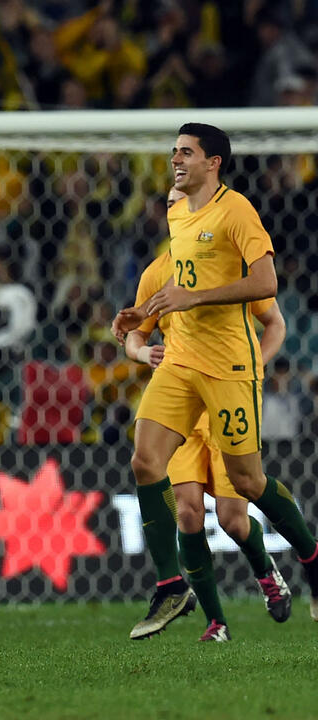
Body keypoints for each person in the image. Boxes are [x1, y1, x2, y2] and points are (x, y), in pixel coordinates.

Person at [113, 124, 318, 640]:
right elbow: (179, 276)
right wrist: (141, 314)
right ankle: (171, 586)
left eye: (186, 153)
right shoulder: (177, 210)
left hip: (227, 366)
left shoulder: (237, 211)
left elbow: (266, 281)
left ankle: (311, 558)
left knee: (245, 487)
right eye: (174, 152)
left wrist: (195, 298)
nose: (176, 160)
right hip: (180, 363)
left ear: (213, 162)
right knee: (145, 461)